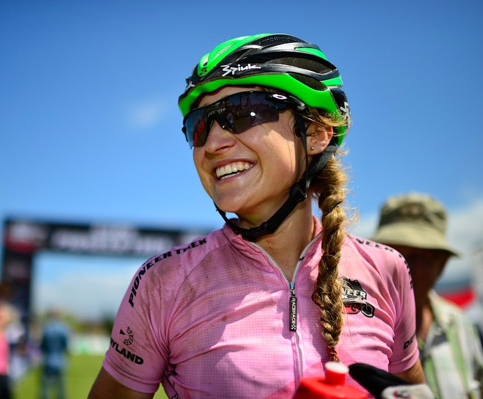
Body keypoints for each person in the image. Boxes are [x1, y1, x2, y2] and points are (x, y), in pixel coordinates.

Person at [88, 33, 425, 399]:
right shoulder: (163, 282)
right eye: (199, 125)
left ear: (315, 133)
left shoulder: (387, 269)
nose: (212, 145)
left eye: (243, 111)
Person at [372, 192, 483, 398]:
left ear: (441, 265)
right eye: (392, 253)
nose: (402, 267)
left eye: (418, 258)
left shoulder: (461, 327)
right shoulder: (355, 327)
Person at [39, 310, 70, 399]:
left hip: (48, 360)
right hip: (60, 361)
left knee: (45, 389)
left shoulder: (47, 328)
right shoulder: (63, 329)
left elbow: (42, 345)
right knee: (61, 389)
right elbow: (66, 346)